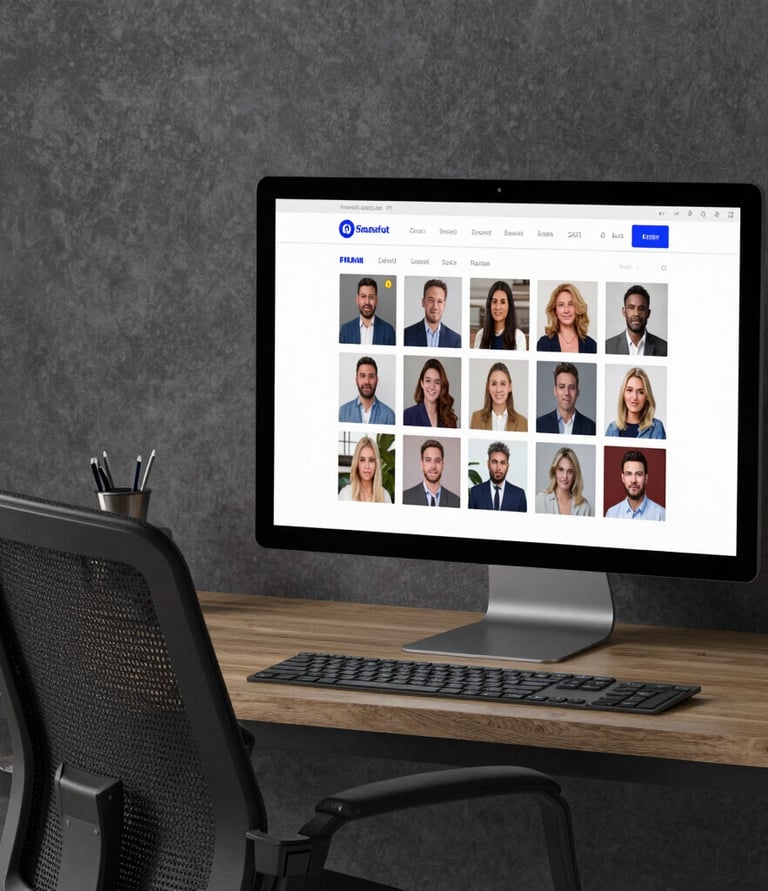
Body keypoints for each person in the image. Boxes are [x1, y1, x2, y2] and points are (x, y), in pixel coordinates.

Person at [605, 284, 668, 356]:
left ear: (648, 313)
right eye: (631, 308)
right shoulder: (607, 347)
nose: (636, 313)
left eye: (641, 309)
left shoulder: (664, 348)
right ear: (624, 312)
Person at [536, 362, 596, 435]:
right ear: (555, 391)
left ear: (577, 392)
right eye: (562, 387)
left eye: (571, 388)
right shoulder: (539, 425)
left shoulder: (591, 427)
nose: (567, 392)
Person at [605, 367, 666, 439]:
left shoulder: (656, 428)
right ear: (623, 394)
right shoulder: (612, 429)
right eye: (629, 390)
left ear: (646, 396)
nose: (634, 397)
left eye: (640, 392)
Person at [605, 449, 665, 520]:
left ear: (646, 478)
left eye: (639, 474)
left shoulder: (661, 515)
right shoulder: (611, 514)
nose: (633, 480)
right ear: (623, 478)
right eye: (629, 474)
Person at [536, 283, 597, 353]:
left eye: (571, 304)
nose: (566, 310)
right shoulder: (544, 344)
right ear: (555, 310)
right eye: (561, 305)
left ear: (578, 308)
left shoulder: (591, 345)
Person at [468, 441, 526, 511]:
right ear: (488, 464)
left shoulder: (519, 495)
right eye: (494, 462)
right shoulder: (475, 492)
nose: (498, 468)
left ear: (508, 466)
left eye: (502, 463)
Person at [470, 362, 527, 431]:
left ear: (510, 387)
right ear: (488, 387)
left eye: (503, 384)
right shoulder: (476, 418)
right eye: (494, 384)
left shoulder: (522, 422)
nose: (498, 389)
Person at [535, 447, 593, 516]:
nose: (565, 476)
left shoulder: (584, 507)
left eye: (570, 471)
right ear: (554, 471)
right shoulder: (539, 500)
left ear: (575, 475)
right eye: (561, 469)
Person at [403, 279, 461, 348]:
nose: (435, 307)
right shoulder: (406, 335)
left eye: (439, 301)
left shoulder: (455, 340)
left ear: (444, 305)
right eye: (431, 300)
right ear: (423, 302)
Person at [339, 277, 396, 345]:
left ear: (376, 300)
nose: (367, 302)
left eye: (371, 297)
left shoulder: (388, 331)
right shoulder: (345, 330)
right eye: (363, 296)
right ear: (357, 299)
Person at [402, 439, 460, 507]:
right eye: (428, 460)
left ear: (443, 465)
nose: (433, 466)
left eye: (437, 461)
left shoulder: (457, 502)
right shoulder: (405, 498)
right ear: (422, 464)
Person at [338, 356, 395, 425]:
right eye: (362, 376)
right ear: (356, 380)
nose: (367, 381)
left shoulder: (389, 416)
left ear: (377, 380)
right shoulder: (343, 412)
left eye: (371, 376)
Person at [403, 358, 458, 428]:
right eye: (428, 381)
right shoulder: (407, 415)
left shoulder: (450, 419)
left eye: (437, 382)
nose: (432, 387)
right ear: (422, 383)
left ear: (442, 386)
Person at [472, 280, 526, 350]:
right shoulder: (480, 335)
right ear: (489, 305)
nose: (497, 307)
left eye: (502, 302)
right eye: (494, 302)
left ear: (509, 305)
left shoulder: (518, 336)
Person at [338, 436, 391, 503]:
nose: (367, 466)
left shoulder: (385, 496)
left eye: (371, 460)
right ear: (357, 463)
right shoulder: (345, 494)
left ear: (376, 464)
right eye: (362, 460)